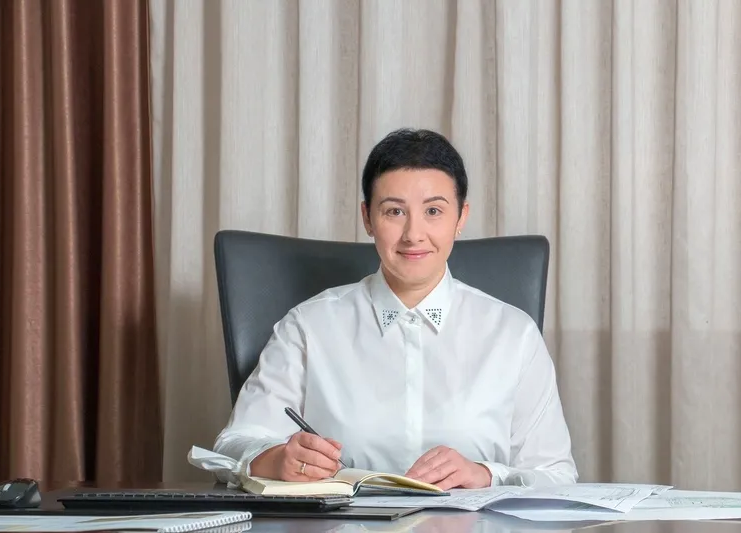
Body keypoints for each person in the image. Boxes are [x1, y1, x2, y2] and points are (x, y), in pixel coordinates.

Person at [213, 128, 578, 489]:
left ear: (461, 217)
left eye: (433, 210)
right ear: (367, 218)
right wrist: (275, 459)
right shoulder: (309, 325)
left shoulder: (513, 333)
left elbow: (556, 476)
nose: (413, 234)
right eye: (394, 211)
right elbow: (231, 445)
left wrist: (486, 474)